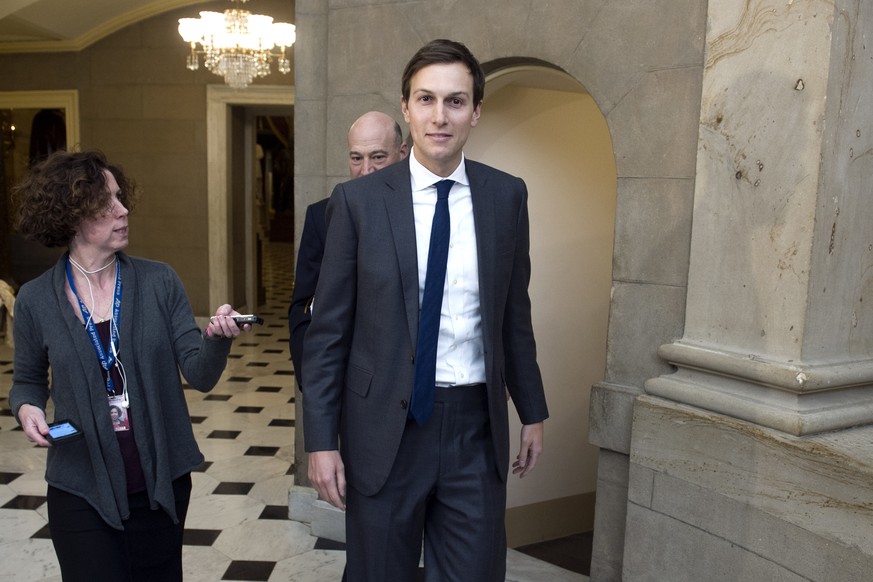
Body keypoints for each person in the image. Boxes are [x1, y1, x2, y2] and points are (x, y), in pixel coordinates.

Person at [303, 39, 549, 581]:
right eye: (426, 100)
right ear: (406, 107)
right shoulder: (359, 203)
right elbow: (328, 335)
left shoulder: (505, 197)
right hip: (384, 429)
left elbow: (514, 314)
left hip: (474, 428)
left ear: (476, 112)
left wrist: (532, 409)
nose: (440, 117)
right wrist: (320, 441)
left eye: (456, 101)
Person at [10, 150, 250, 582]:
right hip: (80, 480)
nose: (123, 211)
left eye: (120, 198)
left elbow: (200, 374)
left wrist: (214, 338)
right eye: (106, 204)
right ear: (72, 215)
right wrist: (27, 408)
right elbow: (27, 380)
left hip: (160, 480)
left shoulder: (159, 281)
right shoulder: (35, 299)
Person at [288, 111, 408, 389]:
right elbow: (303, 305)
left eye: (378, 157)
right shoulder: (321, 216)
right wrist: (313, 378)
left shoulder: (423, 213)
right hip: (347, 383)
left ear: (402, 153)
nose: (366, 169)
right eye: (356, 158)